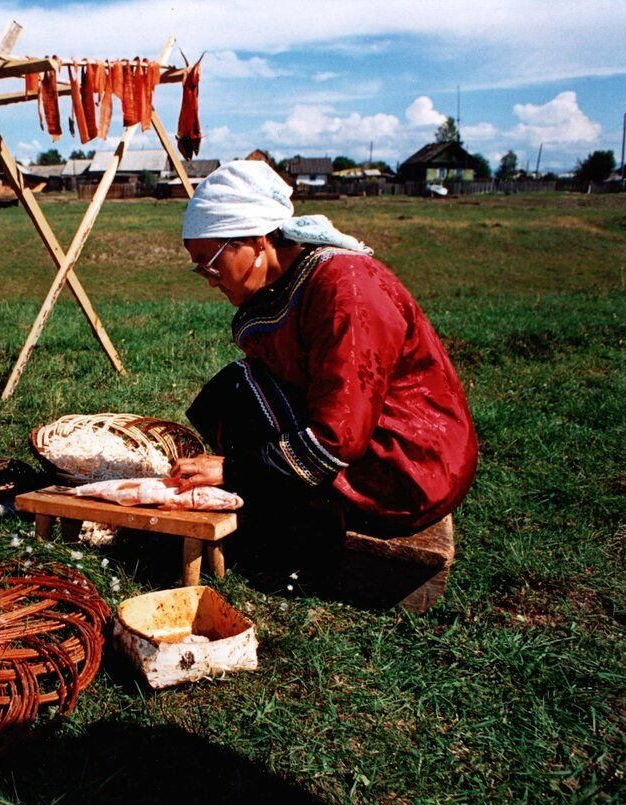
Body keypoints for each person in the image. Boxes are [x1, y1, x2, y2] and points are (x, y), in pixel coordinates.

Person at [167, 160, 477, 545]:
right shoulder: (294, 280)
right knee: (235, 393)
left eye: (210, 265)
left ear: (256, 241)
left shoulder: (346, 291)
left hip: (411, 468)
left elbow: (338, 437)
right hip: (378, 443)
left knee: (247, 400)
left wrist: (234, 469)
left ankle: (295, 525)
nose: (211, 281)